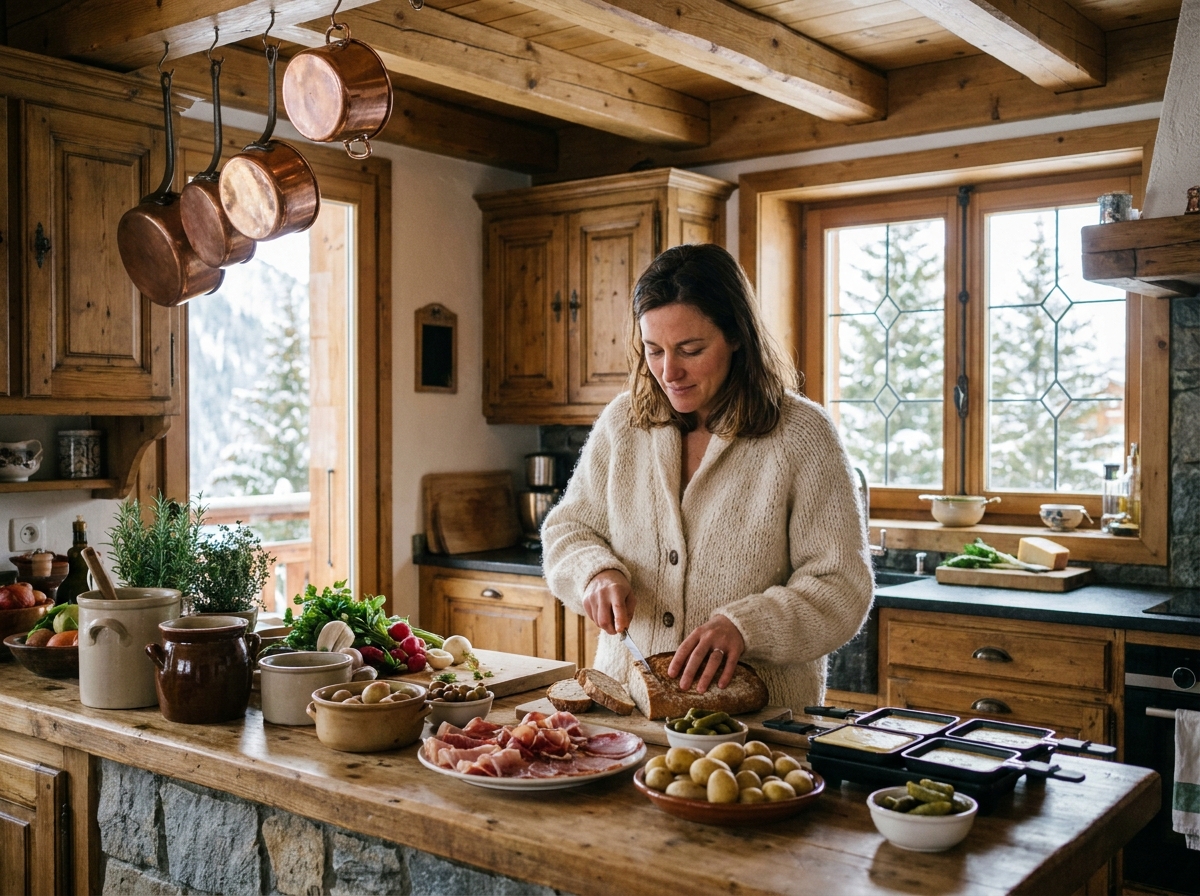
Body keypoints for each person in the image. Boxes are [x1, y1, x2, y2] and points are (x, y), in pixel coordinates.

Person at [541, 243, 873, 713]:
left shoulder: (802, 436)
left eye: (690, 350)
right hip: (628, 716)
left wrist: (746, 626)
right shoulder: (624, 423)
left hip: (759, 729)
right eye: (654, 350)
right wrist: (595, 573)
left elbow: (841, 587)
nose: (668, 371)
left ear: (736, 336)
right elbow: (568, 530)